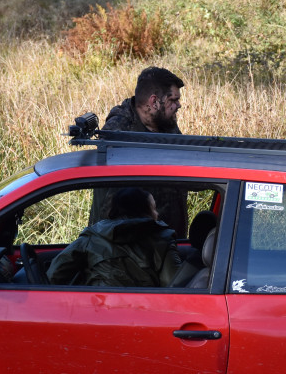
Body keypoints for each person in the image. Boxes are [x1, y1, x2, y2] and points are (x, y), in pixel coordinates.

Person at [93, 67, 189, 237]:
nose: (178, 105)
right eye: (173, 100)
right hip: (129, 245)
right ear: (154, 102)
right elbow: (116, 204)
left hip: (167, 237)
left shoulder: (167, 124)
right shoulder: (119, 132)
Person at [47, 187, 181, 287]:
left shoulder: (93, 236)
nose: (157, 213)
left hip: (99, 309)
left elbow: (55, 274)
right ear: (145, 211)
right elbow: (174, 284)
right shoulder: (163, 239)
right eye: (154, 208)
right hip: (145, 313)